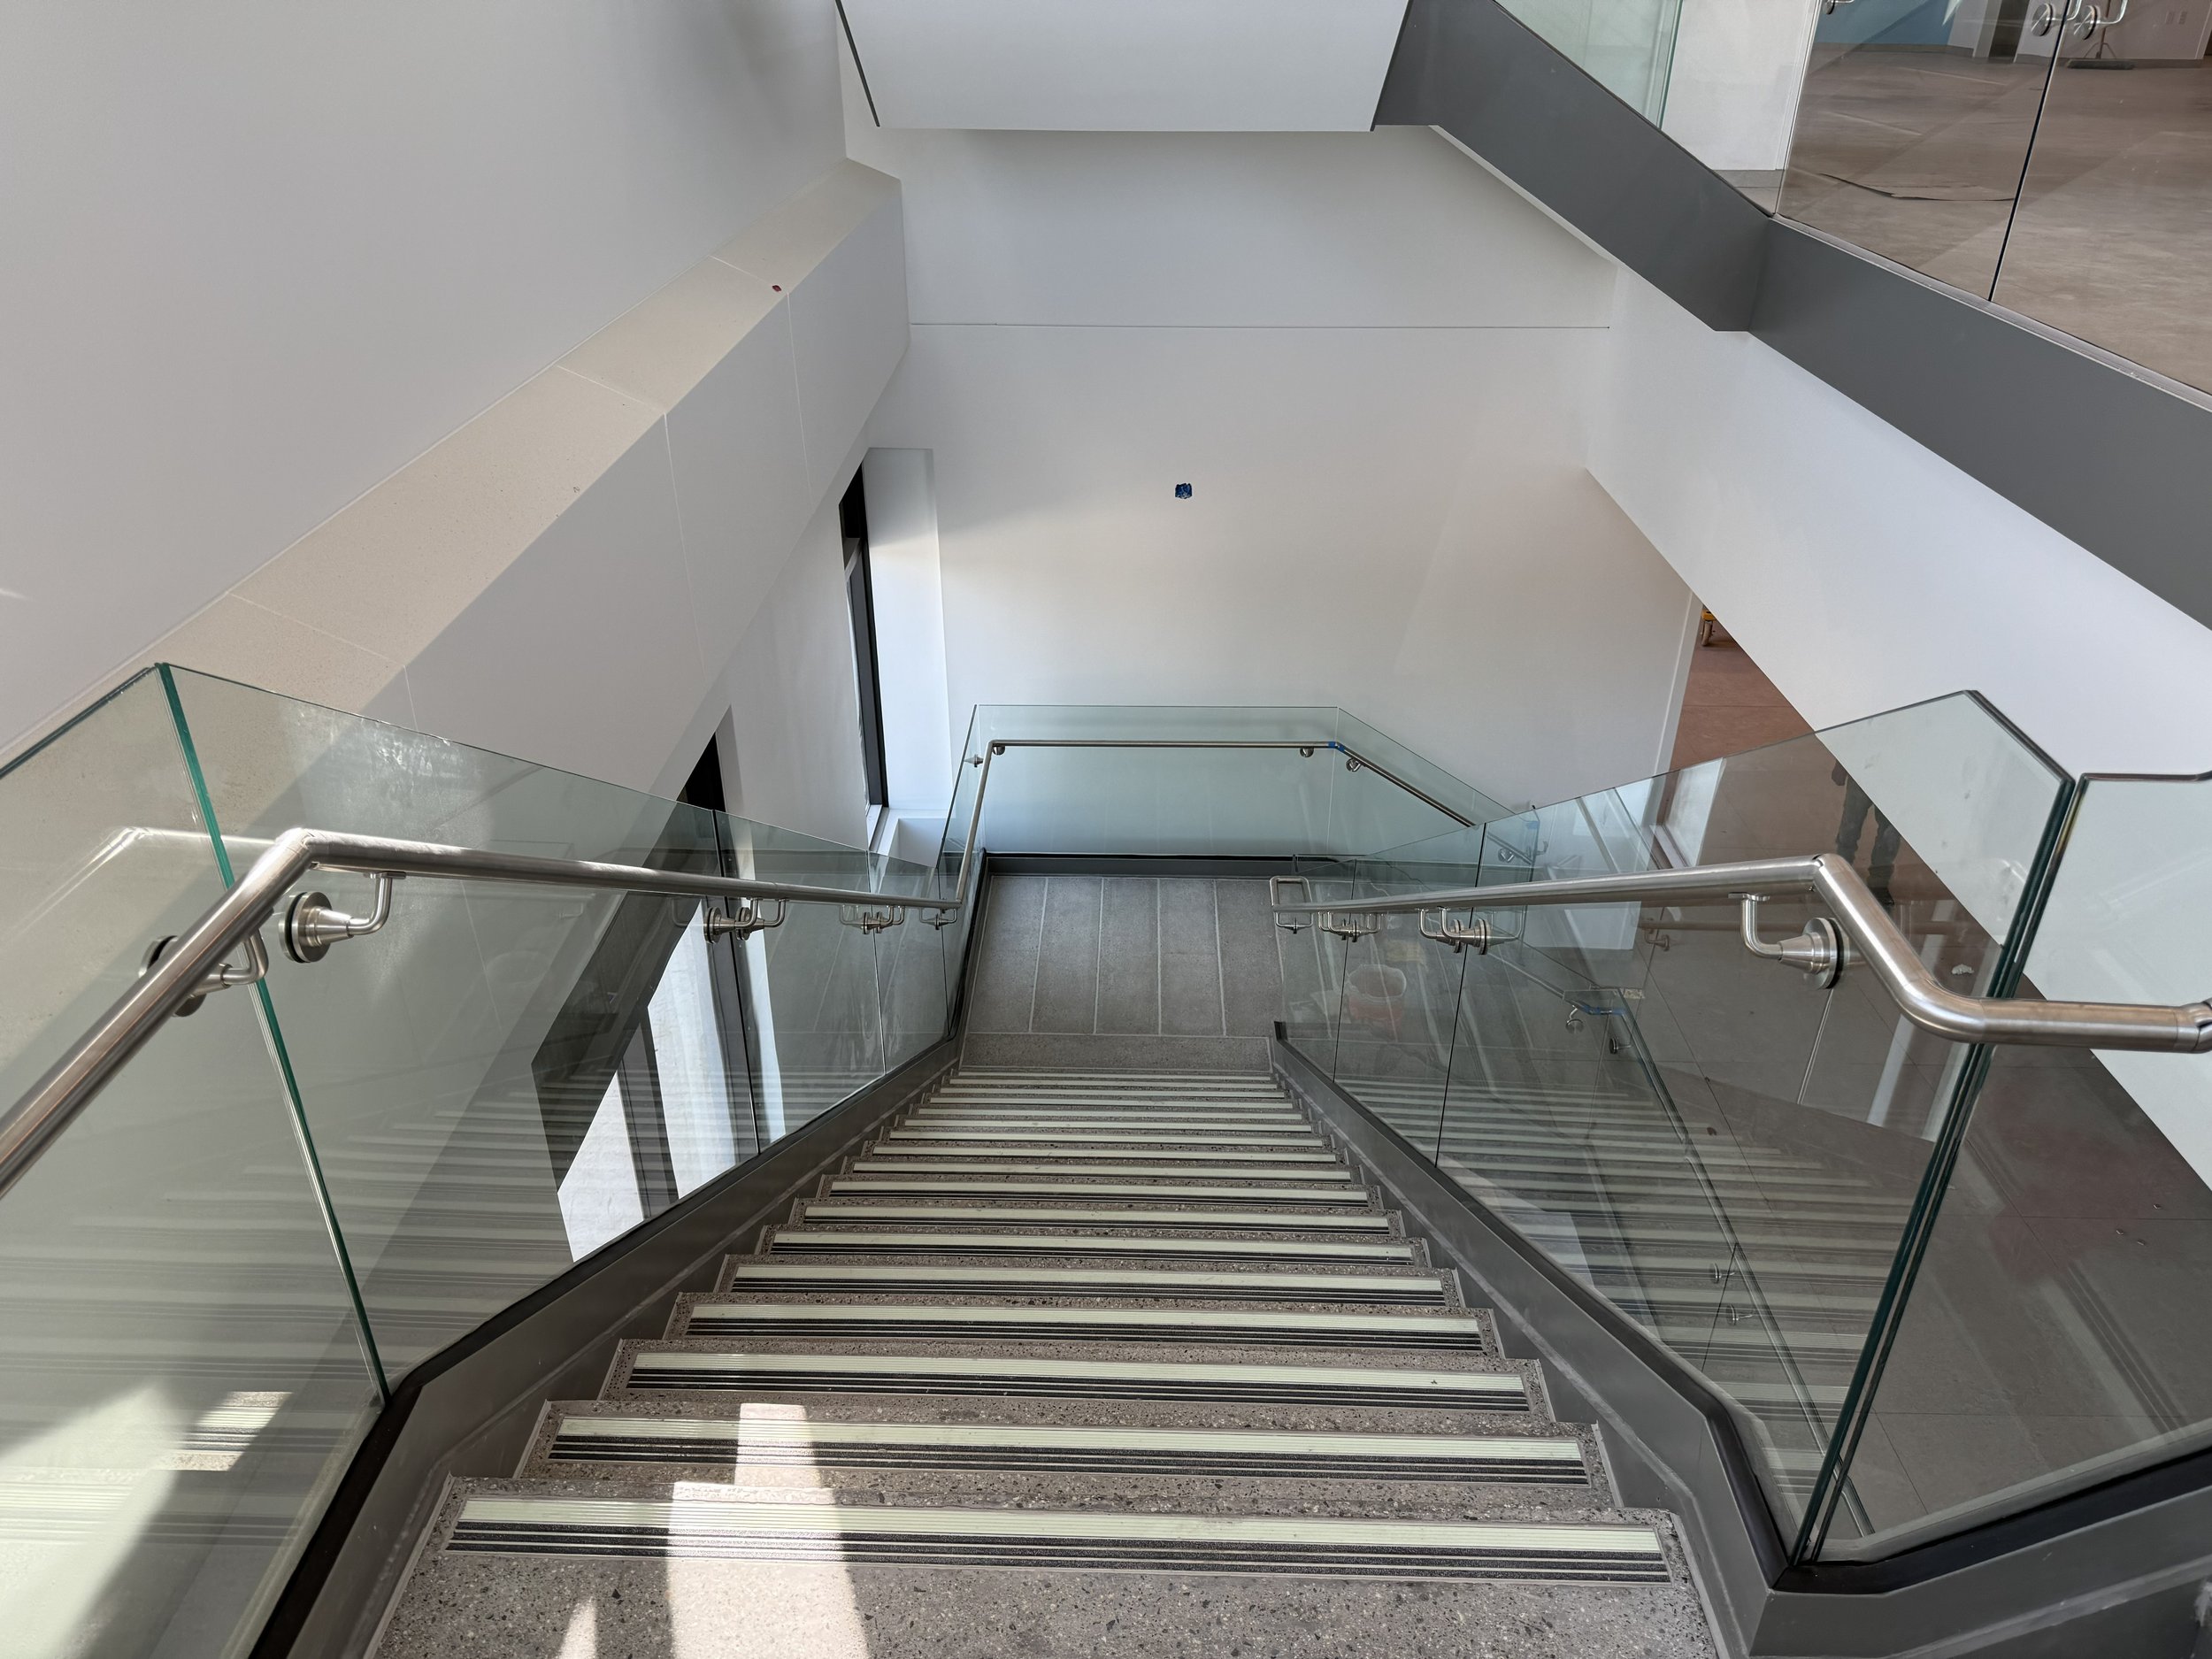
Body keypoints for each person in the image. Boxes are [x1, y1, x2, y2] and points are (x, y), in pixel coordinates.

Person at [1832, 763, 1899, 909]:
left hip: (1890, 776)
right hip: (1865, 770)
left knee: (1888, 836)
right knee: (1850, 829)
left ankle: (1877, 883)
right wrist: (1841, 764)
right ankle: (1840, 875)